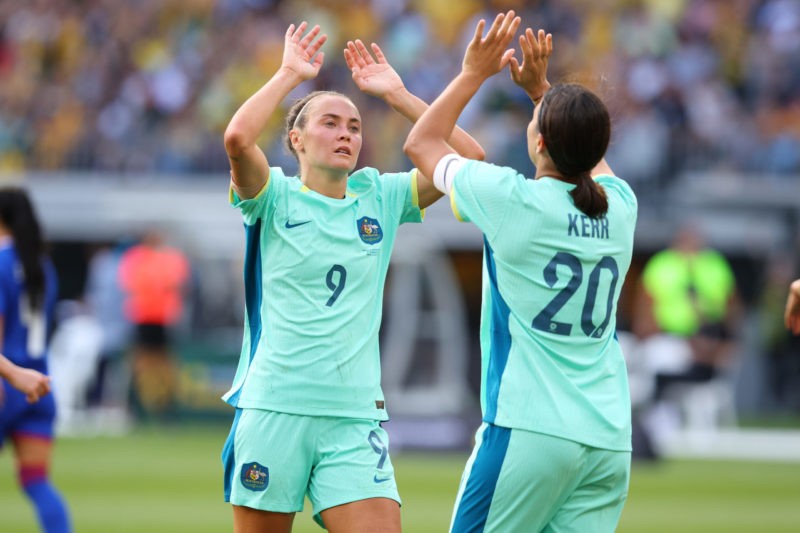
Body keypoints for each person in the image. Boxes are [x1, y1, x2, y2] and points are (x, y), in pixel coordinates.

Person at [220, 21, 484, 533]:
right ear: (295, 139)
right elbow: (236, 137)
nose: (345, 134)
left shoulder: (380, 198)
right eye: (330, 123)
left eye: (355, 126)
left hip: (353, 416)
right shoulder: (273, 197)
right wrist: (288, 74)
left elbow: (470, 160)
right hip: (276, 407)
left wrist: (400, 94)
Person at [404, 11, 637, 532]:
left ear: (538, 144)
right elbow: (587, 156)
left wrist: (472, 73)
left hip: (528, 428)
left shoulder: (512, 200)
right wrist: (543, 93)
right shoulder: (621, 207)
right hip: (607, 438)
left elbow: (421, 144)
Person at [0, 187, 71, 533]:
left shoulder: (0, 261)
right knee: (36, 481)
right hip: (41, 386)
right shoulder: (41, 265)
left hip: (6, 382)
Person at [633, 224, 740, 402]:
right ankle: (655, 412)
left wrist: (724, 344)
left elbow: (732, 310)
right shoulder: (662, 264)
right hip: (669, 337)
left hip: (707, 342)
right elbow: (644, 309)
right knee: (657, 359)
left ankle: (660, 411)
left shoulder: (714, 265)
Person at [118, 228, 190, 417]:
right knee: (141, 360)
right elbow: (132, 284)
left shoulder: (171, 258)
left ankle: (166, 404)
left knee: (165, 362)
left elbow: (177, 284)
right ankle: (135, 402)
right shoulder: (136, 258)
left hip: (164, 317)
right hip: (143, 316)